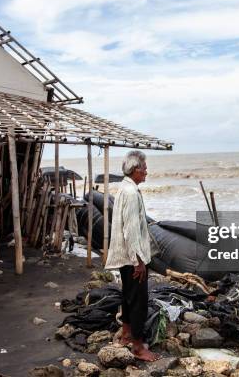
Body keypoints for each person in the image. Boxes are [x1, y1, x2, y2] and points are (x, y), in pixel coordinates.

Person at [104, 150, 160, 362]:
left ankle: (126, 334)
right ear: (135, 170)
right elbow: (131, 230)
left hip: (124, 255)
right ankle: (138, 346)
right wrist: (138, 260)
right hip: (132, 257)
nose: (146, 171)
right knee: (139, 301)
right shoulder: (131, 193)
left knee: (128, 297)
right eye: (144, 168)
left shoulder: (125, 188)